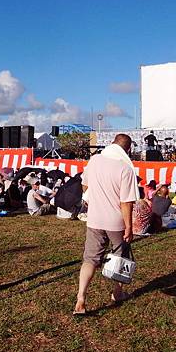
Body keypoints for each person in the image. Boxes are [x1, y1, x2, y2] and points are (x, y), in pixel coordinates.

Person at [74, 134, 139, 315]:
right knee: (121, 258)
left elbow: (85, 185)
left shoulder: (95, 160)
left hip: (95, 218)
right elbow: (126, 202)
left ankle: (81, 297)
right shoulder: (125, 168)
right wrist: (129, 227)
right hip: (116, 222)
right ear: (128, 149)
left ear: (112, 144)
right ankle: (117, 292)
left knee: (90, 259)